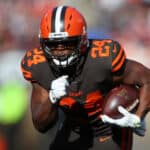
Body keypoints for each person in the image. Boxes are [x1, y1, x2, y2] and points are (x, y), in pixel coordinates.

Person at [20, 5, 150, 150]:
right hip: (74, 128)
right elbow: (41, 125)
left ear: (82, 40)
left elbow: (146, 79)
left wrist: (138, 116)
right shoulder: (38, 66)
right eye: (54, 45)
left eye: (68, 44)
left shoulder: (102, 58)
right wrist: (52, 98)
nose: (61, 52)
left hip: (109, 128)